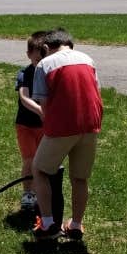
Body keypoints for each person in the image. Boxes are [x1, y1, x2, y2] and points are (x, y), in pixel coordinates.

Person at [29, 28, 103, 242]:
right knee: (80, 177)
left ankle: (48, 224)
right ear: (70, 44)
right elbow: (95, 91)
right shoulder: (88, 59)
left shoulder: (45, 64)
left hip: (63, 125)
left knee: (39, 169)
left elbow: (44, 104)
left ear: (45, 48)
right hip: (91, 124)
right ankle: (76, 226)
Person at [13, 31, 47, 215]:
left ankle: (41, 192)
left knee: (43, 161)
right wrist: (40, 110)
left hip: (44, 127)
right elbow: (24, 97)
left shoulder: (49, 73)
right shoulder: (25, 74)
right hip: (25, 125)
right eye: (36, 60)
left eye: (43, 60)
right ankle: (28, 194)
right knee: (29, 159)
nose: (40, 64)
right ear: (28, 55)